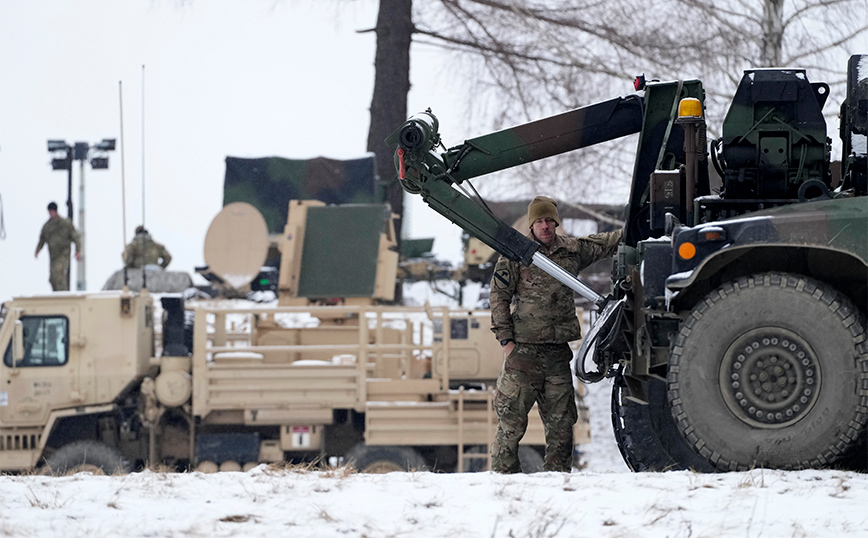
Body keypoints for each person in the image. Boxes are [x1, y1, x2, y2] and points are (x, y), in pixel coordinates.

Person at [489, 196, 622, 473]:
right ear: (531, 225)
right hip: (523, 353)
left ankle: (558, 482)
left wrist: (642, 225)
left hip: (557, 354)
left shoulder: (571, 251)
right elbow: (498, 297)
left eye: (550, 220)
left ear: (556, 223)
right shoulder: (515, 253)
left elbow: (608, 242)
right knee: (511, 423)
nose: (545, 226)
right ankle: (503, 481)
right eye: (539, 221)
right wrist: (507, 342)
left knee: (562, 425)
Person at [35, 201, 81, 291]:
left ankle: (64, 294)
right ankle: (56, 294)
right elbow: (42, 240)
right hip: (53, 256)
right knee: (52, 278)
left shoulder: (65, 224)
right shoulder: (47, 226)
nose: (51, 213)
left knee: (59, 273)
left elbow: (75, 237)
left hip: (63, 253)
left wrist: (77, 250)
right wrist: (37, 250)